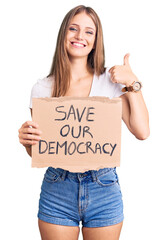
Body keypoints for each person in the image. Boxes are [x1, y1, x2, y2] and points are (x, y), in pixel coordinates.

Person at [18, 5, 150, 240]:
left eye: (89, 32)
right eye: (74, 29)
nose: (80, 36)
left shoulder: (110, 82)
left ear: (96, 40)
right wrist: (27, 142)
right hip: (57, 187)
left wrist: (133, 83)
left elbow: (142, 131)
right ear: (63, 34)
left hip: (103, 187)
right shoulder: (42, 88)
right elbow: (44, 150)